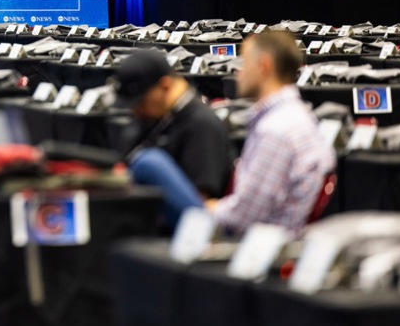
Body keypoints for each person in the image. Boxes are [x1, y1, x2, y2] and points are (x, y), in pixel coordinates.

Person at [127, 31, 337, 236]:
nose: (238, 72)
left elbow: (244, 219)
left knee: (149, 164)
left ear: (264, 66)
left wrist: (210, 208)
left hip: (243, 242)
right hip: (260, 235)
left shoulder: (276, 131)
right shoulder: (296, 118)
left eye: (244, 63)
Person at [112, 50, 232, 200]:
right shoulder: (157, 118)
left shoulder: (202, 126)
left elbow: (200, 202)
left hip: (184, 212)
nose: (136, 111)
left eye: (141, 102)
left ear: (165, 87)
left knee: (149, 163)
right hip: (139, 206)